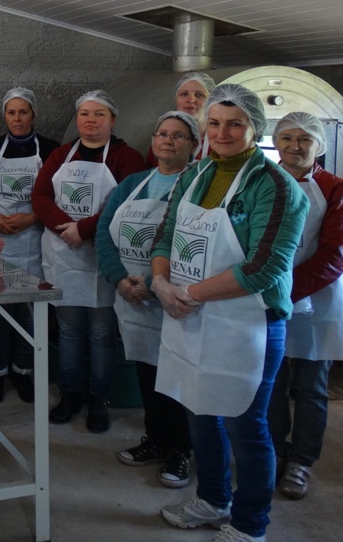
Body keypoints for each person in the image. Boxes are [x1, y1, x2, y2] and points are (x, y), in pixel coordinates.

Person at [153, 84, 307, 542]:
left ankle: (250, 523)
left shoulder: (276, 186)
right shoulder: (193, 175)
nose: (222, 132)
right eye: (214, 123)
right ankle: (213, 499)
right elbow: (165, 237)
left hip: (248, 321)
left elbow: (265, 266)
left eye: (235, 123)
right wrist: (161, 284)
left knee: (246, 423)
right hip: (188, 311)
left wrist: (189, 294)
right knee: (199, 410)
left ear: (255, 129)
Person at [31, 90, 145, 432]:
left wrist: (84, 228)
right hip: (63, 254)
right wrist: (65, 228)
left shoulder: (128, 157)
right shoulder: (61, 154)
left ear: (112, 120)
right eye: (84, 114)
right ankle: (71, 392)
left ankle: (100, 399)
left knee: (100, 333)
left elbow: (126, 205)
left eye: (99, 114)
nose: (91, 121)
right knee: (67, 330)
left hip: (103, 255)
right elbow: (40, 195)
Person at [97, 111, 199, 488]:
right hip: (134, 297)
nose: (168, 140)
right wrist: (120, 280)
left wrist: (165, 285)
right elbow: (105, 235)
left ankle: (181, 451)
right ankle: (157, 440)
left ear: (193, 145)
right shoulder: (132, 184)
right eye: (161, 133)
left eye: (178, 135)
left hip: (177, 303)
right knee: (147, 372)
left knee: (178, 378)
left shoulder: (198, 185)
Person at [267, 112, 343, 501]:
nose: (294, 146)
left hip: (317, 295)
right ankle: (275, 452)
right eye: (286, 138)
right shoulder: (261, 179)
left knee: (311, 385)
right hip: (267, 293)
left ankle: (301, 461)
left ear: (319, 146)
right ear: (275, 141)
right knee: (273, 382)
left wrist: (285, 289)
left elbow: (335, 253)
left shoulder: (334, 188)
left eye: (304, 140)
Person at [0, 86, 60, 404]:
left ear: (33, 115)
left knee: (29, 311)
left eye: (23, 112)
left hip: (33, 240)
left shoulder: (51, 149)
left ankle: (22, 370)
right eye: (11, 112)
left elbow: (56, 197)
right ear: (4, 116)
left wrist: (32, 219)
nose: (17, 118)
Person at [147, 72, 216, 165]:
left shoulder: (219, 142)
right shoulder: (162, 144)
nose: (191, 99)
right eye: (184, 94)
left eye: (199, 95)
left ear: (211, 101)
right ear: (176, 100)